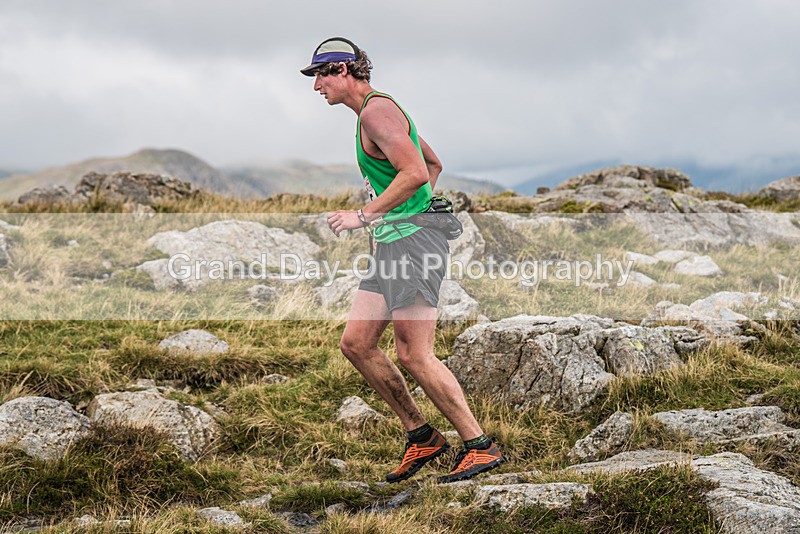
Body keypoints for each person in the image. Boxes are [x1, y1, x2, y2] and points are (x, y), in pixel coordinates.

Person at [301, 37, 504, 483]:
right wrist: (405, 212)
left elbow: (415, 171)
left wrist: (365, 215)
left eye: (320, 75)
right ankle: (422, 436)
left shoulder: (377, 111)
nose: (316, 86)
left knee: (415, 354)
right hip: (397, 244)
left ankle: (480, 446)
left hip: (415, 247)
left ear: (343, 71)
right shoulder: (370, 115)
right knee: (356, 343)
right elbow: (432, 163)